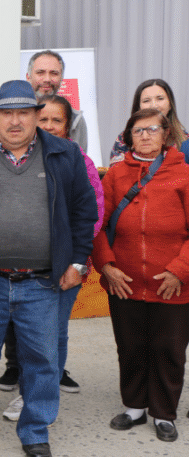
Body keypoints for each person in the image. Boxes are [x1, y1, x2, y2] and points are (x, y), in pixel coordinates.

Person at [0, 80, 96, 457]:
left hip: (43, 281)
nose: (15, 121)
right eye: (6, 113)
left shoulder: (65, 154)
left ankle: (35, 431)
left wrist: (77, 262)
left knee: (42, 362)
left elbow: (83, 213)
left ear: (36, 117)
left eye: (23, 113)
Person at [0, 94, 104, 420]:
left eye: (55, 120)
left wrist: (74, 262)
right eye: (41, 119)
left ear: (66, 126)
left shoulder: (79, 161)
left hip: (63, 266)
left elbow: (94, 215)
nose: (47, 126)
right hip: (22, 265)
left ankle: (37, 399)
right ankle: (39, 391)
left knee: (52, 332)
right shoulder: (14, 158)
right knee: (30, 332)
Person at [93, 108, 189, 442]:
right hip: (126, 281)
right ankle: (134, 406)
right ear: (128, 136)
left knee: (169, 348)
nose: (145, 135)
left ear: (166, 134)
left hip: (172, 285)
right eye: (137, 130)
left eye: (152, 129)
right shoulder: (116, 175)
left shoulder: (184, 175)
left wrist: (179, 270)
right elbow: (97, 225)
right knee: (130, 345)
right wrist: (106, 265)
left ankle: (164, 413)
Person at [109, 79, 187, 163]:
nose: (153, 105)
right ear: (139, 107)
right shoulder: (124, 138)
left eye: (160, 99)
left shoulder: (185, 138)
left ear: (170, 105)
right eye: (146, 100)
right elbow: (116, 173)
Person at [24, 50, 88, 151]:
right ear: (28, 77)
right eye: (40, 73)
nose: (47, 79)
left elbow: (80, 163)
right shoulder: (8, 115)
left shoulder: (75, 119)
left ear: (61, 79)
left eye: (54, 73)